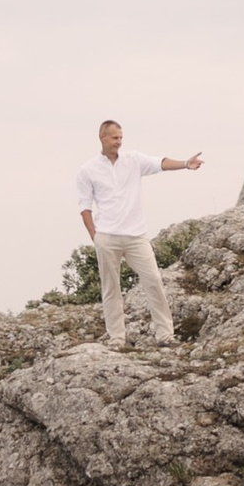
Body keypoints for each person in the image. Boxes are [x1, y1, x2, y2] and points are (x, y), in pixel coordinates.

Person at [74, 118, 204, 349]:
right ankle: (117, 338)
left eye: (121, 138)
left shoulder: (133, 160)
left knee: (153, 280)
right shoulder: (88, 170)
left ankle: (165, 336)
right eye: (115, 138)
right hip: (107, 237)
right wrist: (96, 237)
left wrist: (186, 163)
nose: (119, 142)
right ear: (102, 137)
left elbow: (160, 163)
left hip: (136, 236)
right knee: (111, 287)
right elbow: (85, 207)